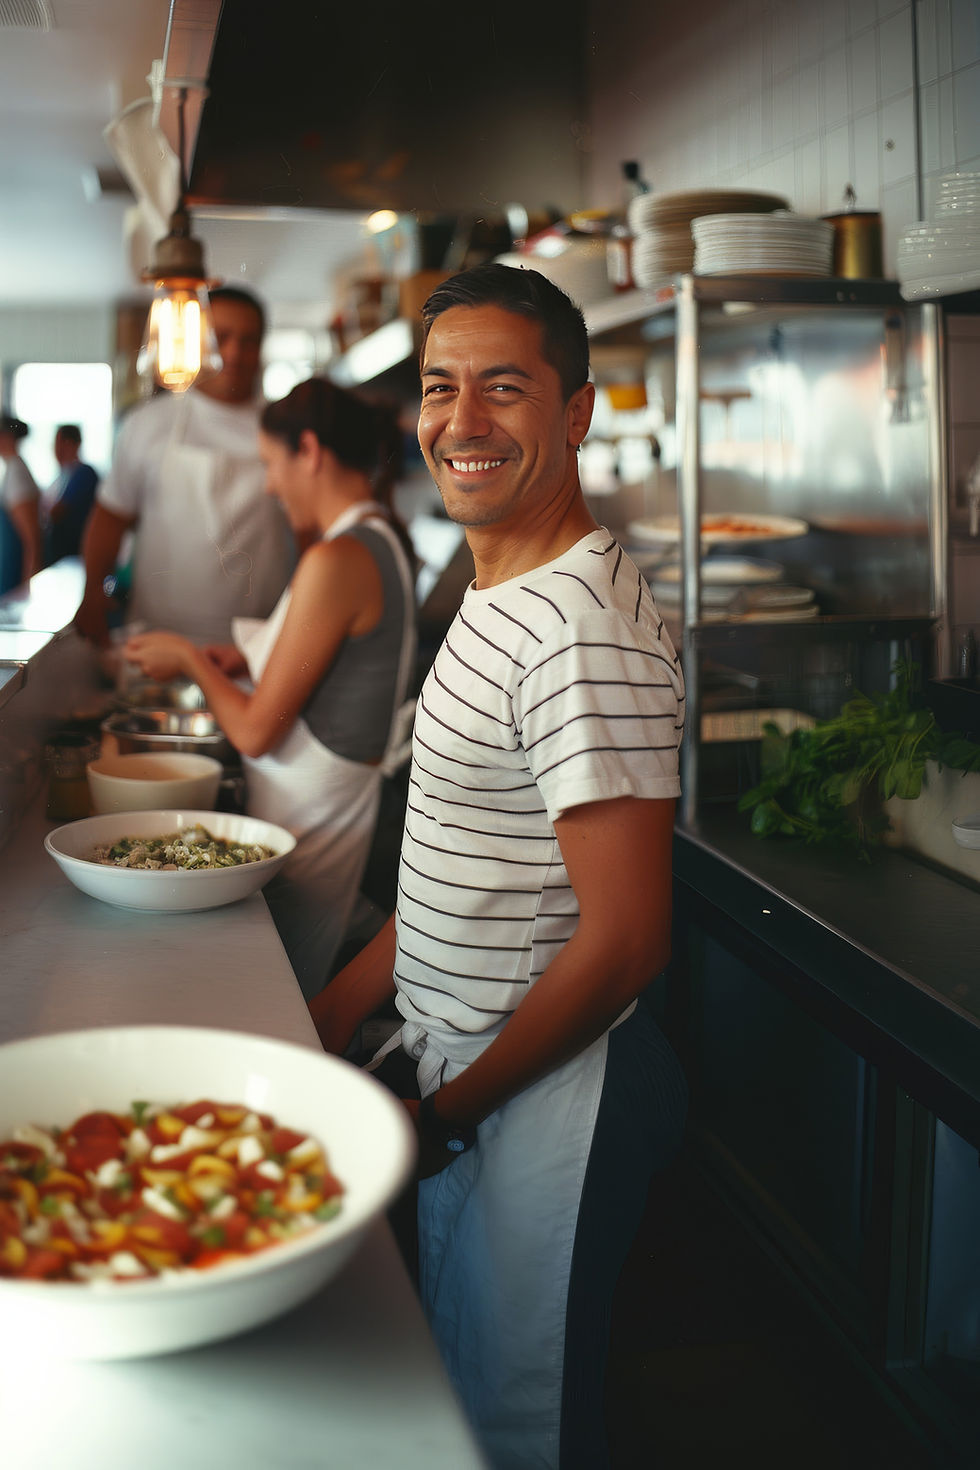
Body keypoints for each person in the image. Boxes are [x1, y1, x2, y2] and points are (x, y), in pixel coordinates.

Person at [310, 263, 688, 1470]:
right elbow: (452, 860)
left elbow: (625, 942)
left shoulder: (579, 631)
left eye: (503, 389)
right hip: (469, 1076)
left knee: (523, 1423)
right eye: (439, 387)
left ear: (574, 412)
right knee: (467, 1389)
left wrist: (441, 1120)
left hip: (544, 1096)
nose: (460, 421)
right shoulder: (504, 586)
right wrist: (332, 1010)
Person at [123, 377, 418, 999]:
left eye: (269, 464)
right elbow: (327, 660)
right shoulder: (374, 539)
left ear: (308, 450)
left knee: (278, 998)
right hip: (309, 818)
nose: (268, 485)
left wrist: (188, 659)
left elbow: (256, 733)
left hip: (313, 833)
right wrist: (244, 660)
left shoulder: (338, 559)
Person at [76, 286, 295, 647]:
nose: (235, 353)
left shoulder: (285, 427)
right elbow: (110, 517)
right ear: (197, 342)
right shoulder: (148, 422)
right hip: (157, 639)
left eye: (249, 341)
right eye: (221, 338)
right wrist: (92, 594)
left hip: (253, 644)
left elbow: (310, 530)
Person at [43, 424, 99, 566]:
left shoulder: (84, 473)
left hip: (73, 553)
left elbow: (57, 511)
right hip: (61, 552)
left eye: (61, 443)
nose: (57, 449)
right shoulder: (63, 475)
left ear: (73, 444)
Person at [0, 415, 42, 595]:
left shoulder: (17, 472)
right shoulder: (12, 468)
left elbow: (32, 538)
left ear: (6, 437)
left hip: (14, 575)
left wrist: (28, 584)